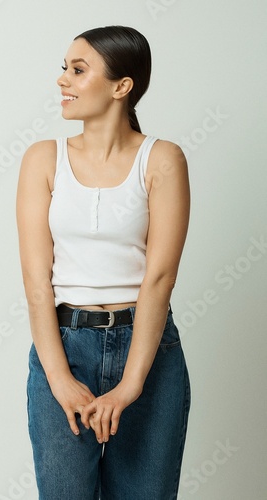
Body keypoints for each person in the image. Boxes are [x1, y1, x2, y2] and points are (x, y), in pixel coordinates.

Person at [16, 25, 191, 500]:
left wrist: (131, 384)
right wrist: (59, 379)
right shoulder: (42, 159)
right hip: (63, 347)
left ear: (122, 86)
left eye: (78, 70)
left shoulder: (163, 160)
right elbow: (36, 281)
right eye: (63, 69)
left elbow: (159, 279)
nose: (62, 81)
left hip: (149, 351)